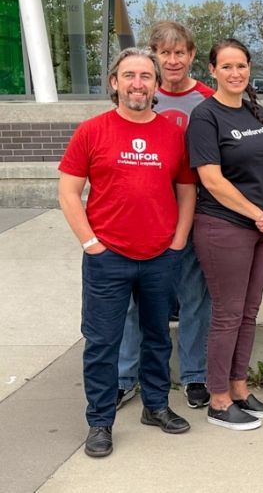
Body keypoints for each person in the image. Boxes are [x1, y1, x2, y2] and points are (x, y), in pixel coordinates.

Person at [59, 47, 196, 457]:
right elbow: (68, 192)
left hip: (159, 256)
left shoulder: (173, 134)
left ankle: (155, 406)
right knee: (103, 342)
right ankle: (100, 421)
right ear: (115, 82)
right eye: (130, 76)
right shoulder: (92, 130)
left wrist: (178, 241)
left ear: (156, 85)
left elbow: (186, 190)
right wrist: (91, 245)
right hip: (108, 258)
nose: (138, 84)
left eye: (146, 76)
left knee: (156, 338)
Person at [187, 38, 263, 431]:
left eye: (241, 65)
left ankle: (240, 389)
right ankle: (218, 398)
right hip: (223, 227)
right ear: (212, 70)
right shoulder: (205, 116)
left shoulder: (255, 110)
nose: (235, 73)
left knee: (249, 311)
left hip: (262, 226)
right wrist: (256, 214)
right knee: (226, 314)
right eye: (226, 66)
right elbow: (210, 179)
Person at [117, 21, 214, 411]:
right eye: (164, 53)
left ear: (192, 56)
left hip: (198, 212)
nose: (172, 60)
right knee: (132, 301)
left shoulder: (208, 100)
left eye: (180, 53)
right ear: (154, 57)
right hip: (146, 216)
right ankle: (125, 376)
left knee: (195, 296)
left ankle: (194, 375)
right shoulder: (139, 95)